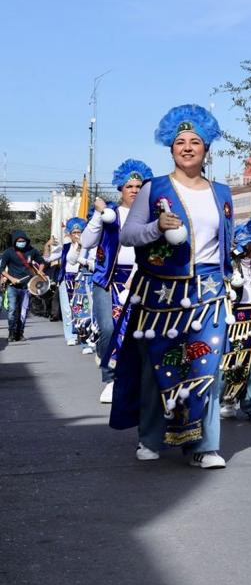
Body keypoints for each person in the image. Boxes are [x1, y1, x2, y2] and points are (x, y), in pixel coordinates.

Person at [116, 104, 234, 468]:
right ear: (170, 148)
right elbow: (129, 234)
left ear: (206, 150)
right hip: (161, 292)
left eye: (195, 142)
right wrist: (158, 228)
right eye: (180, 142)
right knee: (158, 369)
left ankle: (203, 447)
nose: (187, 147)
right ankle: (150, 438)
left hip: (209, 290)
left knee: (206, 368)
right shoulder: (155, 189)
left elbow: (225, 242)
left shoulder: (223, 193)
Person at [82, 158, 153, 403]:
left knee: (138, 332)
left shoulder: (149, 215)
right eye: (129, 186)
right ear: (120, 188)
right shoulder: (110, 213)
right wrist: (99, 215)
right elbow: (86, 242)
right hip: (108, 279)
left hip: (140, 278)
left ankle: (133, 378)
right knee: (108, 329)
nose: (134, 190)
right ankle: (110, 378)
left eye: (138, 186)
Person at [221, 208, 251, 421]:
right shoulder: (232, 263)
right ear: (250, 243)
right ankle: (228, 400)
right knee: (232, 362)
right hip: (234, 318)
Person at [1, 229, 47, 342]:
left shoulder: (32, 251)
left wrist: (40, 271)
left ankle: (19, 333)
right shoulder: (8, 252)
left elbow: (42, 262)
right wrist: (11, 278)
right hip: (13, 286)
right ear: (14, 241)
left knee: (23, 311)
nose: (21, 242)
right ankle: (11, 333)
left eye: (23, 240)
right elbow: (1, 268)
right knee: (12, 310)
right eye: (19, 241)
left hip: (27, 287)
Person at [61, 218, 97, 353]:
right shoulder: (72, 245)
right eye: (74, 232)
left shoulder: (93, 243)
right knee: (77, 310)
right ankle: (79, 339)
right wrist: (78, 246)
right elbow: (71, 259)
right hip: (75, 280)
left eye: (79, 232)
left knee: (93, 310)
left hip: (91, 278)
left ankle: (93, 340)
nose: (77, 235)